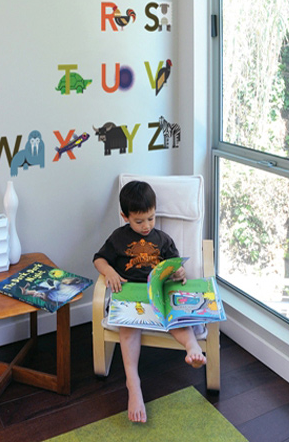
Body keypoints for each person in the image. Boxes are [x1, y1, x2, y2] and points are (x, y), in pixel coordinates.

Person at [93, 180, 206, 423]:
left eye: (151, 218)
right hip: (130, 294)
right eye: (139, 221)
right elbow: (99, 259)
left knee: (176, 317)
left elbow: (176, 266)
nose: (146, 226)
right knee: (128, 330)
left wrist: (179, 272)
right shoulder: (118, 238)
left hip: (159, 293)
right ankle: (133, 384)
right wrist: (109, 272)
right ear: (125, 217)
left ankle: (192, 347)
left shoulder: (163, 239)